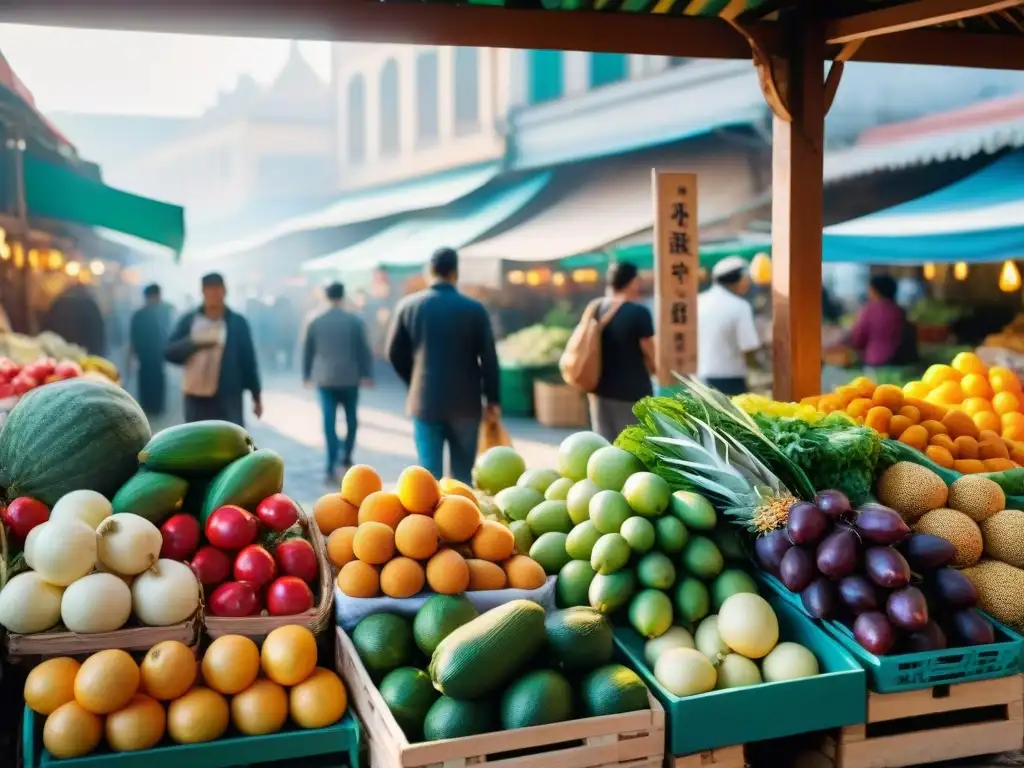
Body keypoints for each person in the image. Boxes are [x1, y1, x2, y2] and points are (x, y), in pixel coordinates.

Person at [386, 247, 500, 484]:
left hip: (425, 400)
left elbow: (394, 353)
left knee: (428, 479)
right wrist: (493, 400)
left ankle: (428, 522)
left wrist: (414, 379)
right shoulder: (474, 309)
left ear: (430, 271)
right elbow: (489, 357)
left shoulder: (409, 306)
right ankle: (463, 519)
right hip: (466, 403)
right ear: (455, 272)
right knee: (461, 479)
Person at [165, 273, 262, 426]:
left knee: (231, 441)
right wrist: (194, 343)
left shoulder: (237, 323)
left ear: (224, 291)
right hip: (196, 397)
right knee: (197, 441)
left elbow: (248, 361)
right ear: (203, 292)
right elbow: (169, 352)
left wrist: (256, 397)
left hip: (228, 396)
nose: (214, 295)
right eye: (209, 290)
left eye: (218, 290)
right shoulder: (190, 320)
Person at [303, 281, 374, 482]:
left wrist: (306, 374)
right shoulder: (355, 320)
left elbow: (308, 350)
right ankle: (347, 457)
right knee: (351, 419)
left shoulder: (315, 320)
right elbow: (363, 349)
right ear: (343, 296)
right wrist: (367, 374)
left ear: (325, 296)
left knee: (329, 422)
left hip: (324, 378)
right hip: (350, 377)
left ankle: (330, 464)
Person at [588, 262, 656, 442]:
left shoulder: (597, 308)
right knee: (634, 448)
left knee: (604, 448)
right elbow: (650, 350)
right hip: (632, 392)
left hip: (599, 389)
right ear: (633, 282)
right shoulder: (638, 312)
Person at [696, 256, 762, 396]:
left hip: (699, 380)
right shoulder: (740, 307)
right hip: (731, 381)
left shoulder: (698, 301)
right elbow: (749, 347)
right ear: (741, 279)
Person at [845, 274, 916, 367]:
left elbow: (858, 337)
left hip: (875, 360)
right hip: (900, 361)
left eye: (870, 289)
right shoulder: (898, 310)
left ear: (875, 290)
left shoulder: (869, 310)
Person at [128, 284, 172, 417]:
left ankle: (156, 408)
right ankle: (148, 408)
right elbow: (133, 337)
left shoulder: (163, 312)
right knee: (146, 382)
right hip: (145, 357)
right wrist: (131, 355)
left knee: (156, 381)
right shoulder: (140, 315)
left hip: (157, 356)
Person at [43, 284, 106, 355]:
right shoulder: (89, 303)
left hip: (59, 352)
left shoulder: (57, 303)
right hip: (86, 353)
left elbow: (47, 329)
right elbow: (97, 332)